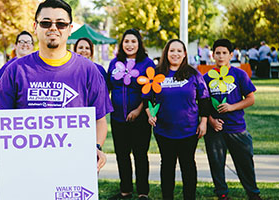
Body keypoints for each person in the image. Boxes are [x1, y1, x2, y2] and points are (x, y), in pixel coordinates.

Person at [0, 0, 113, 173]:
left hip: (73, 166)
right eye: (46, 23)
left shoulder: (89, 71)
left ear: (69, 29)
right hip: (26, 167)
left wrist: (96, 147)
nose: (53, 28)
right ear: (35, 27)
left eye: (61, 24)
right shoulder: (16, 70)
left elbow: (100, 120)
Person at [145, 39, 209, 200]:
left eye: (179, 51)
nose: (175, 54)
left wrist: (204, 122)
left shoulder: (193, 74)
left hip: (189, 129)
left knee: (188, 165)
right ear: (166, 53)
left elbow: (204, 99)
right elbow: (147, 98)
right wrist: (149, 114)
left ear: (184, 54)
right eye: (171, 50)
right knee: (167, 165)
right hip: (164, 130)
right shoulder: (157, 73)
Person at [203, 39, 262, 200]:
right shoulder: (206, 78)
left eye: (224, 53)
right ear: (213, 55)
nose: (221, 56)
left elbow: (250, 99)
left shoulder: (239, 74)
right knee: (216, 164)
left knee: (245, 163)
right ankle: (222, 193)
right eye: (217, 53)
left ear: (231, 55)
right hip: (215, 130)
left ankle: (253, 193)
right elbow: (202, 104)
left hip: (237, 127)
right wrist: (211, 121)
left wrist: (232, 107)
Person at [107, 29, 155, 200]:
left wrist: (138, 110)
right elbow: (108, 87)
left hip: (140, 119)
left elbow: (150, 90)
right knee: (122, 155)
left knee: (140, 155)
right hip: (118, 118)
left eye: (133, 41)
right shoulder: (114, 63)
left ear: (139, 44)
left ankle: (143, 192)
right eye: (126, 41)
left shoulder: (147, 63)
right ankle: (125, 190)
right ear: (122, 44)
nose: (129, 45)